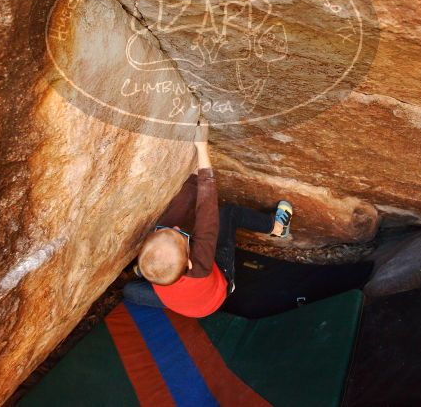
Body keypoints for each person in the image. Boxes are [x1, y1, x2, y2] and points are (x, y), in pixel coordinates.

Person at [123, 119, 293, 318]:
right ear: (189, 263)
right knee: (228, 214)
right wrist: (201, 148)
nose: (176, 227)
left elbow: (182, 205)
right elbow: (208, 212)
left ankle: (156, 274)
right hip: (215, 293)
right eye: (180, 236)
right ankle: (278, 228)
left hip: (183, 303)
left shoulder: (162, 247)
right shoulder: (201, 262)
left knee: (130, 292)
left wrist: (194, 175)